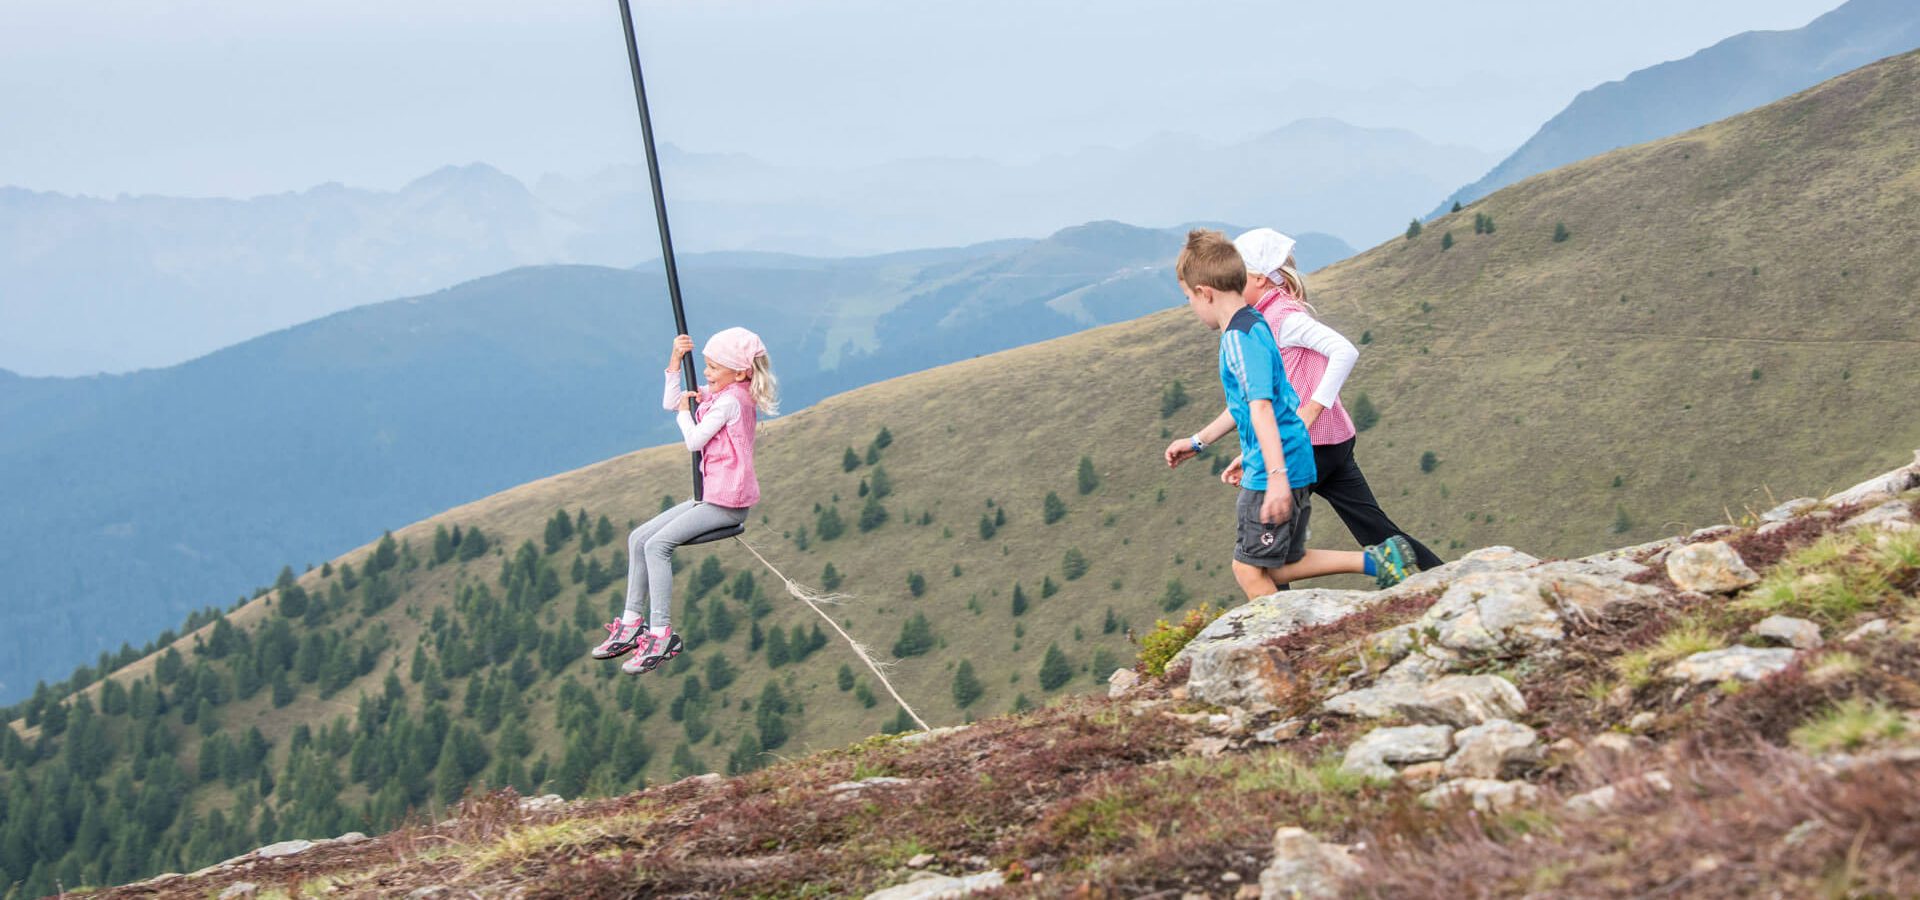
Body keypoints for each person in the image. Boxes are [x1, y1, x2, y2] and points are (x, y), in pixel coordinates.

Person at [1166, 228, 1443, 578]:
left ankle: (1282, 621)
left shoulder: (1281, 318)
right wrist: (1201, 441)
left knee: (1262, 560)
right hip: (1329, 441)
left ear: (1261, 280)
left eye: (1242, 276)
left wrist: (1309, 413)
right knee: (1375, 530)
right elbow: (1255, 401)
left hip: (1311, 443)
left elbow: (1344, 351)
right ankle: (1447, 578)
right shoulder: (1268, 317)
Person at [591, 327, 778, 674]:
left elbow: (694, 440)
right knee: (638, 538)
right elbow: (672, 401)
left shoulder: (729, 402)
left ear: (738, 372)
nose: (706, 374)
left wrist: (682, 414)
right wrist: (675, 362)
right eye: (705, 366)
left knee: (657, 546)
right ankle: (632, 623)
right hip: (710, 495)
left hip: (726, 501)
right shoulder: (727, 391)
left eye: (712, 368)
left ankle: (660, 635)